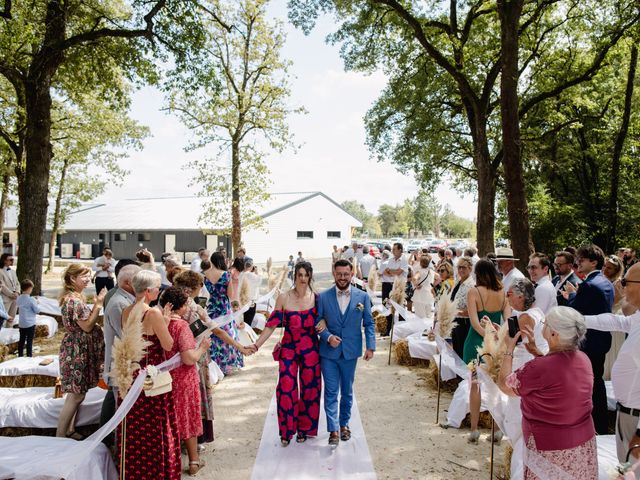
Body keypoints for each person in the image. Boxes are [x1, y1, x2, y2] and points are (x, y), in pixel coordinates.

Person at [498, 307, 597, 479]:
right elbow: (558, 377)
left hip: (550, 448)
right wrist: (538, 353)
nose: (542, 325)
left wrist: (509, 349)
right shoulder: (584, 359)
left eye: (545, 324)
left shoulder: (539, 368)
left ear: (554, 335)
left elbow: (505, 385)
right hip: (582, 446)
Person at [173, 270, 253, 450]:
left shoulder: (168, 303)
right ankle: (193, 440)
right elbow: (217, 331)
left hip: (172, 359)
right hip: (194, 357)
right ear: (193, 288)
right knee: (195, 399)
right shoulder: (194, 308)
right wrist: (239, 347)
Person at [116, 270, 181, 480]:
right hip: (152, 376)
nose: (159, 291)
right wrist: (166, 322)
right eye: (157, 288)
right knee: (156, 427)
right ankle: (158, 471)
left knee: (135, 428)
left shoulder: (126, 311)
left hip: (132, 372)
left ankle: (135, 471)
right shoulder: (152, 313)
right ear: (147, 291)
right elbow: (168, 344)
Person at [252, 262, 321, 446]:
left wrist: (326, 326)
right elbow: (271, 326)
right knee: (286, 387)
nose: (303, 279)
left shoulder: (317, 298)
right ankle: (287, 430)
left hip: (311, 350)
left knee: (310, 389)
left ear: (310, 276)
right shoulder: (283, 298)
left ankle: (304, 429)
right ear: (295, 276)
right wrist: (256, 345)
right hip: (289, 349)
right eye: (300, 275)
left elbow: (325, 321)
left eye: (306, 275)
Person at [316, 259, 375, 447]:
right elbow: (317, 322)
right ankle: (333, 429)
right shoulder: (323, 297)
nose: (342, 277)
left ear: (352, 274)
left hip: (351, 351)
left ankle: (344, 424)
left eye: (346, 274)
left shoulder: (362, 297)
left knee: (347, 391)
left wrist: (371, 346)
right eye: (339, 274)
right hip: (329, 353)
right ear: (334, 274)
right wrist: (327, 336)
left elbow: (369, 323)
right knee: (331, 391)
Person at [584, 262, 640, 462]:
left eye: (626, 282)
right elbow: (618, 322)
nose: (621, 286)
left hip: (636, 418)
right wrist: (580, 320)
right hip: (627, 413)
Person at [562, 243, 614, 434]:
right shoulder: (606, 282)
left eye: (582, 260)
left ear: (593, 262)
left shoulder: (590, 285)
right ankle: (599, 424)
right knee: (597, 383)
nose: (578, 263)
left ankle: (592, 425)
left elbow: (577, 310)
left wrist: (571, 295)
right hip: (602, 340)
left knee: (588, 385)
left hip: (590, 341)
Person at [499, 278, 549, 478]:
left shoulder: (526, 317)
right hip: (530, 364)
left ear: (521, 296)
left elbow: (511, 343)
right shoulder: (535, 312)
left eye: (509, 294)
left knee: (515, 416)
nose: (506, 297)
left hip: (525, 368)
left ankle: (521, 466)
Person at [159, 287, 212, 476]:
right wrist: (203, 347)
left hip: (165, 378)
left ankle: (170, 458)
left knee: (170, 418)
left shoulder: (159, 322)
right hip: (184, 378)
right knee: (188, 417)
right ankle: (193, 461)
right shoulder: (181, 326)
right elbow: (189, 358)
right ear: (179, 306)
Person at [56, 264, 106, 439]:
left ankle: (69, 430)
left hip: (79, 350)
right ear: (72, 278)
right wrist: (98, 305)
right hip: (76, 352)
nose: (87, 279)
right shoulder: (74, 301)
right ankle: (60, 436)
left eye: (88, 275)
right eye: (84, 276)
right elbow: (87, 326)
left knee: (78, 393)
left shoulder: (76, 297)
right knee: (76, 395)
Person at [465, 258, 510, 442]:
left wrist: (486, 336)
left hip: (475, 342)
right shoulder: (503, 293)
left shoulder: (473, 292)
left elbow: (475, 324)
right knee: (496, 387)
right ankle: (497, 429)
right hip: (497, 342)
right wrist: (496, 337)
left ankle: (474, 429)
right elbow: (507, 321)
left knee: (474, 386)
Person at [99, 263, 141, 446]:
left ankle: (107, 439)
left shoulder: (127, 299)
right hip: (119, 363)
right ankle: (111, 443)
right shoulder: (119, 303)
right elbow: (127, 334)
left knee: (112, 401)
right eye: (139, 281)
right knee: (115, 403)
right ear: (127, 283)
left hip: (124, 362)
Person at [204, 251, 243, 374]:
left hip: (212, 307)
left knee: (213, 334)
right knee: (228, 333)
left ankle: (215, 365)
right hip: (223, 308)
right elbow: (231, 295)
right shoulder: (226, 275)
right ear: (222, 261)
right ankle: (227, 364)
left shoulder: (205, 275)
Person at [449, 257, 475, 359]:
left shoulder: (471, 285)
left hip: (464, 324)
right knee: (456, 351)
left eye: (463, 267)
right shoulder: (457, 282)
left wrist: (455, 312)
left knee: (462, 352)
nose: (461, 270)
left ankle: (462, 375)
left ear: (470, 269)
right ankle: (457, 374)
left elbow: (471, 311)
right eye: (459, 267)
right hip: (456, 321)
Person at [381, 242, 408, 336]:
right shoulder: (391, 259)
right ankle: (388, 329)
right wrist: (393, 272)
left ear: (400, 250)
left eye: (394, 249)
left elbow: (399, 272)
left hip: (399, 286)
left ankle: (401, 332)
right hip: (390, 285)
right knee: (387, 306)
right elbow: (385, 272)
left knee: (400, 308)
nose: (392, 251)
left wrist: (391, 271)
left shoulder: (404, 259)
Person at [16, 279, 40, 357]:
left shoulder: (19, 298)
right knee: (29, 341)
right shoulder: (31, 300)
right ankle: (29, 356)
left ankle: (20, 355)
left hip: (22, 323)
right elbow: (37, 310)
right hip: (30, 323)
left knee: (21, 340)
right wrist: (37, 303)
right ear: (29, 288)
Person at [411, 255, 435, 319]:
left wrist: (416, 285)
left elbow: (414, 278)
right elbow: (438, 279)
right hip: (429, 295)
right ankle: (427, 328)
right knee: (428, 315)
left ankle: (422, 328)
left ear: (420, 263)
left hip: (420, 295)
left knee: (420, 316)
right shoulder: (431, 272)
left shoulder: (420, 271)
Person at [239, 258, 261, 327]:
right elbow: (259, 282)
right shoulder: (252, 275)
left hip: (242, 301)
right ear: (251, 266)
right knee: (248, 323)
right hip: (250, 302)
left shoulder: (240, 274)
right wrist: (257, 272)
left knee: (243, 321)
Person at [0, 253, 19, 324]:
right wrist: (11, 294)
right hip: (5, 298)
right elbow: (2, 285)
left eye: (13, 259)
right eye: (10, 260)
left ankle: (9, 332)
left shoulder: (13, 271)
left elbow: (17, 283)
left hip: (15, 298)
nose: (12, 261)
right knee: (4, 318)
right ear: (4, 260)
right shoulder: (0, 271)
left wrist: (17, 292)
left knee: (12, 318)